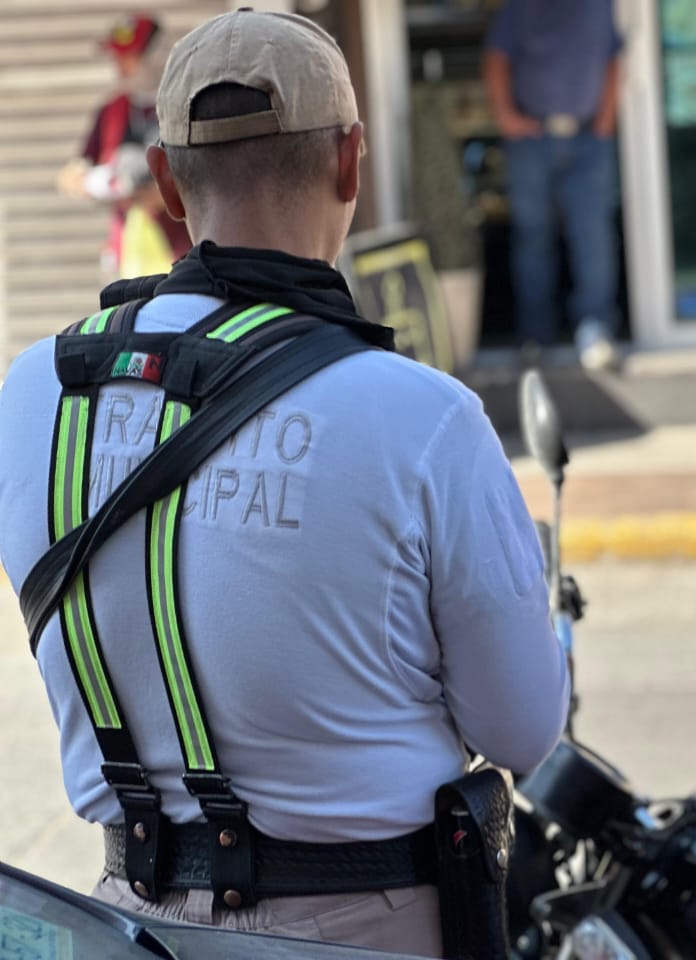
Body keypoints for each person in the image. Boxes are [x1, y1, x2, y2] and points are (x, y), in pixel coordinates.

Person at [0, 10, 568, 957]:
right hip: (367, 928)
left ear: (166, 182)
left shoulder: (31, 393)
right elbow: (520, 730)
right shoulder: (424, 415)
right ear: (350, 162)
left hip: (126, 927)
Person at [483, 0, 623, 371]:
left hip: (587, 136)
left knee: (592, 236)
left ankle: (595, 330)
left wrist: (606, 120)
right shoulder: (523, 5)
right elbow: (496, 57)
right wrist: (506, 117)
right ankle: (535, 338)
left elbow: (614, 58)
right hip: (532, 138)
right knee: (533, 237)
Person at [56, 13, 192, 279]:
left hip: (184, 256)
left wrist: (160, 194)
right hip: (128, 261)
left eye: (127, 57)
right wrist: (96, 183)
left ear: (156, 56)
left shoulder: (185, 108)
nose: (118, 65)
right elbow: (69, 177)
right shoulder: (112, 112)